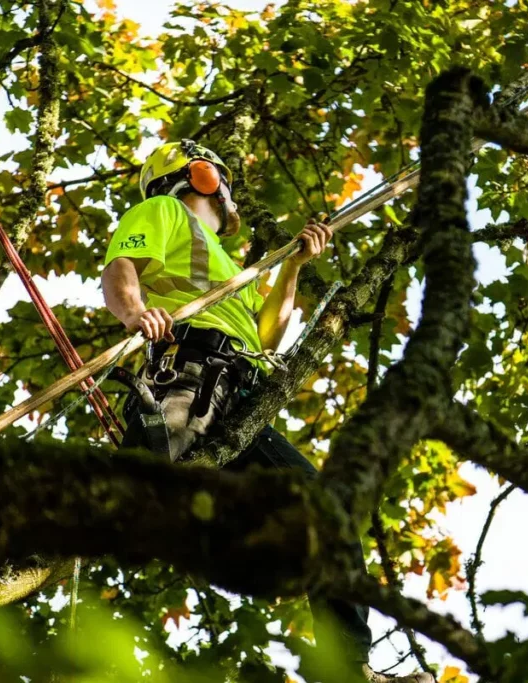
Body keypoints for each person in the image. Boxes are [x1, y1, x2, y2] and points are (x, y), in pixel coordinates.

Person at [102, 140, 435, 683]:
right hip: (188, 377)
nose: (229, 194)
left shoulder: (230, 264)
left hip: (235, 391)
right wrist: (137, 314)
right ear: (202, 177)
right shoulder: (162, 210)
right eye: (223, 181)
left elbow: (265, 340)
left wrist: (295, 268)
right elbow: (121, 269)